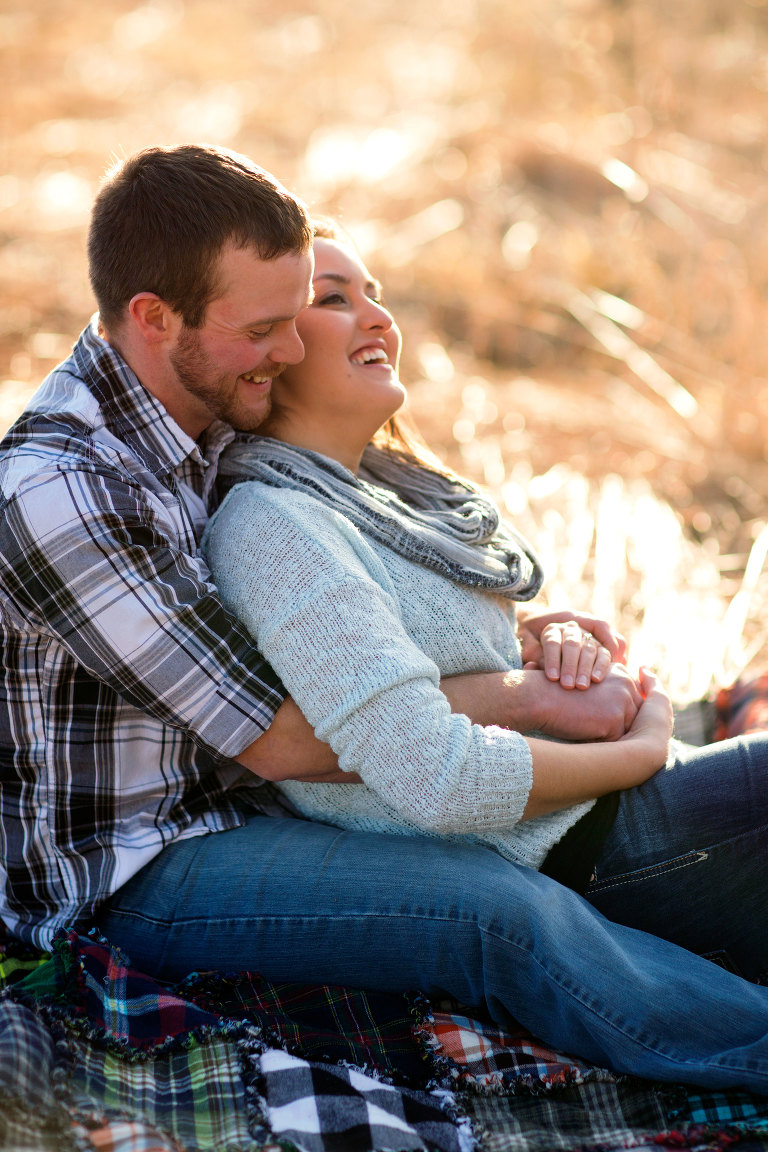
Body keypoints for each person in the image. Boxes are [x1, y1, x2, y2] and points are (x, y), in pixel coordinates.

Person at [0, 145, 764, 1096]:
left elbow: (360, 627)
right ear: (154, 318)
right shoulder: (64, 490)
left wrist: (535, 643)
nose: (285, 355)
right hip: (138, 863)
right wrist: (538, 704)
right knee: (493, 912)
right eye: (269, 326)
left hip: (261, 799)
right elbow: (282, 740)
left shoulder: (205, 403)